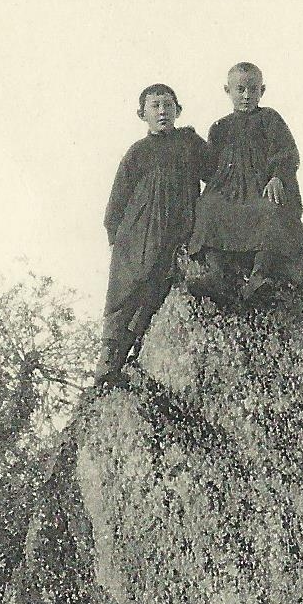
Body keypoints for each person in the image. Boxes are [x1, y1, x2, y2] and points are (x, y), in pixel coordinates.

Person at [96, 82, 209, 388]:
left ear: (178, 110)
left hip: (179, 231)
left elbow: (215, 171)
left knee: (157, 291)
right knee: (130, 289)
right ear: (142, 114)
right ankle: (109, 362)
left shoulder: (189, 143)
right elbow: (116, 202)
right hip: (141, 233)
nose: (162, 111)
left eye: (168, 105)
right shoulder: (138, 152)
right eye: (155, 106)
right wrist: (118, 240)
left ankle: (137, 353)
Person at [186, 61, 303, 304]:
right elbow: (210, 168)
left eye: (253, 90)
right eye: (240, 89)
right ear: (228, 90)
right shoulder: (219, 127)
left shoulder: (269, 118)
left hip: (261, 187)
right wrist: (192, 144)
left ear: (262, 91)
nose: (246, 96)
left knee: (270, 210)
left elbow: (287, 152)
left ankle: (261, 275)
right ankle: (218, 275)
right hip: (229, 190)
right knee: (208, 207)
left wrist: (277, 176)